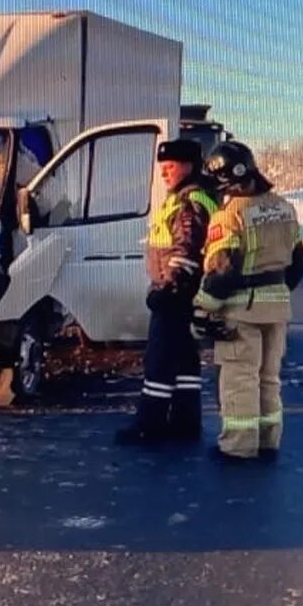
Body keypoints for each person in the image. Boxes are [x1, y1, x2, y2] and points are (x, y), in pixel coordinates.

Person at [193, 137, 303, 461]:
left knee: (240, 378)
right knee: (269, 378)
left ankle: (239, 446)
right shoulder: (285, 208)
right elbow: (297, 264)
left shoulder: (229, 216)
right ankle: (269, 439)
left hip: (242, 311)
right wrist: (277, 295)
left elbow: (222, 270)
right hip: (278, 308)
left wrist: (203, 308)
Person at [114, 138, 219, 445]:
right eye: (162, 168)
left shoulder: (189, 202)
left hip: (176, 292)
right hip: (187, 291)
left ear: (188, 165)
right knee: (185, 359)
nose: (164, 174)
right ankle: (186, 421)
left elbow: (185, 248)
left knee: (159, 359)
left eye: (170, 167)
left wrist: (168, 288)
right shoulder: (191, 196)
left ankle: (151, 423)